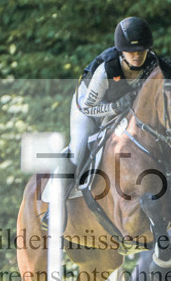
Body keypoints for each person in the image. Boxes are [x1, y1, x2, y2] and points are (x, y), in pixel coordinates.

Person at [60, 16, 160, 190]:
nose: (137, 55)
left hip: (123, 111)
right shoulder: (106, 71)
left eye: (141, 50)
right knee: (78, 148)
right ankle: (58, 200)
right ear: (122, 51)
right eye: (131, 51)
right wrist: (114, 107)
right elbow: (88, 107)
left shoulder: (153, 65)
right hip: (88, 107)